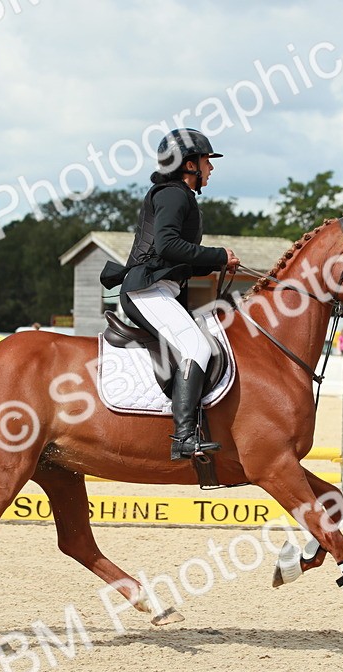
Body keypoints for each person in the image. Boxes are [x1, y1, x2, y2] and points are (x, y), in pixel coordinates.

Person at [118, 128, 240, 460]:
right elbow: (167, 245)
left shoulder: (178, 195)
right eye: (206, 161)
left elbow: (174, 258)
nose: (210, 168)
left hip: (159, 289)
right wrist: (216, 255)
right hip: (147, 290)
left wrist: (215, 262)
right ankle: (184, 437)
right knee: (196, 346)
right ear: (189, 165)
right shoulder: (173, 194)